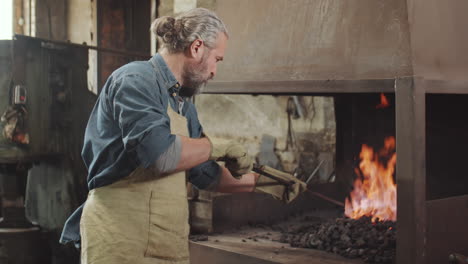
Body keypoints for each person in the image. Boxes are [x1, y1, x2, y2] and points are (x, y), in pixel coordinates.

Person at [60, 8, 306, 264]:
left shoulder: (183, 102)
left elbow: (205, 173)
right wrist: (216, 146)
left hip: (167, 242)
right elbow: (161, 155)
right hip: (119, 238)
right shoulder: (135, 80)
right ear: (197, 47)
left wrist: (269, 184)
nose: (215, 71)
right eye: (217, 59)